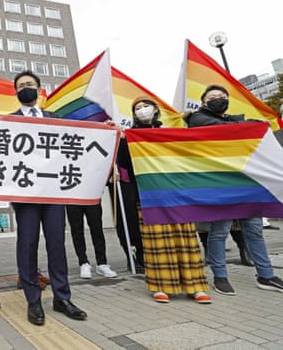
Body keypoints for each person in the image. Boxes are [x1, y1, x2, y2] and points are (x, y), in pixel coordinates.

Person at [186, 84, 283, 295]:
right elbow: (222, 128)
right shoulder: (197, 119)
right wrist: (251, 124)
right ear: (203, 102)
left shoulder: (233, 120)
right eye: (213, 96)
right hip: (221, 183)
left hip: (247, 181)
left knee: (254, 231)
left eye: (223, 96)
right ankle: (220, 276)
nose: (219, 99)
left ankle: (266, 275)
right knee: (220, 231)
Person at [10, 70, 87, 325]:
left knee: (56, 245)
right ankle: (33, 300)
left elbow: (78, 142)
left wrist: (105, 132)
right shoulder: (7, 121)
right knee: (27, 245)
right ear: (16, 92)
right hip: (26, 194)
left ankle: (62, 297)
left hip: (54, 192)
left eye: (30, 84)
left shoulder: (56, 118)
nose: (26, 88)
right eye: (21, 86)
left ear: (40, 89)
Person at [119, 96, 211, 304]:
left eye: (145, 106)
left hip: (176, 193)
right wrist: (122, 141)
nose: (142, 110)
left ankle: (195, 285)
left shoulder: (170, 132)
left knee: (186, 238)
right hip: (148, 194)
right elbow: (124, 163)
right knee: (157, 241)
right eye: (137, 108)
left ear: (155, 109)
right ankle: (160, 285)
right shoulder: (131, 136)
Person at [66, 204, 118, 279]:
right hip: (72, 197)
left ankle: (102, 263)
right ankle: (83, 262)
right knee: (76, 230)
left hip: (91, 196)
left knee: (97, 228)